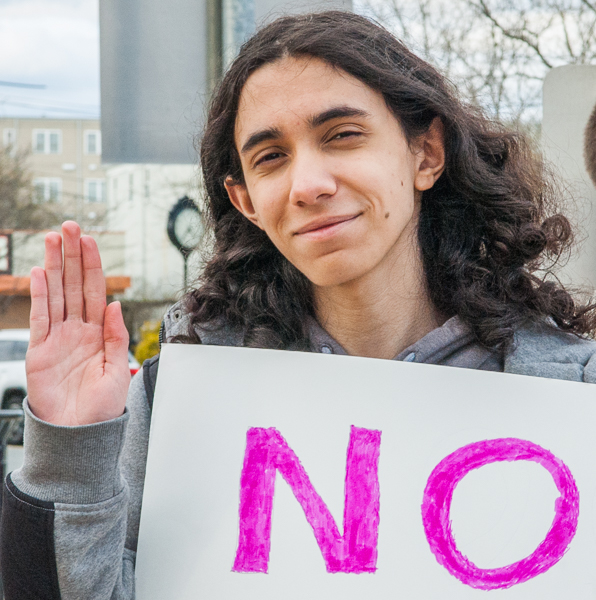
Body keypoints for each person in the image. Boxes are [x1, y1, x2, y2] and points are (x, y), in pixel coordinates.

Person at [2, 10, 596, 600]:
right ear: (246, 202)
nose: (308, 184)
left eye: (342, 135)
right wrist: (69, 453)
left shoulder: (570, 391)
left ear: (426, 154)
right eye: (270, 158)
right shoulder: (181, 399)